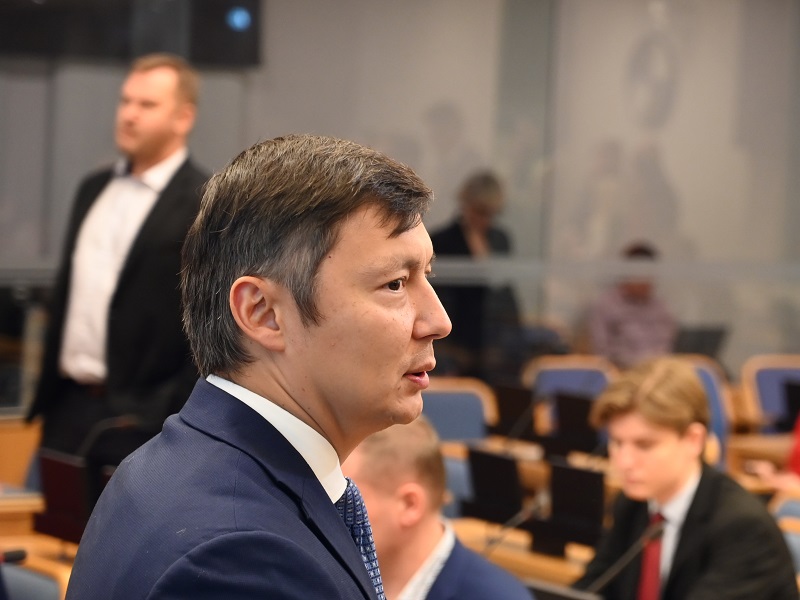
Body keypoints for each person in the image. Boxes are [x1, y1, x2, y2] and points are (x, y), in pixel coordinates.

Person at [65, 134, 452, 599]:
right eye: (395, 284)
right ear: (264, 313)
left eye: (426, 276)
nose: (438, 321)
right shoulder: (242, 558)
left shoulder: (170, 466)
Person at [25, 53, 208, 499]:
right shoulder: (93, 189)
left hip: (141, 420)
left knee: (117, 539)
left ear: (183, 117)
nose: (129, 114)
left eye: (147, 105)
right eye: (125, 101)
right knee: (44, 531)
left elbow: (208, 321)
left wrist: (169, 411)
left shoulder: (203, 201)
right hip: (67, 406)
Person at [573, 357, 797, 600]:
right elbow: (591, 588)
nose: (624, 462)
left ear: (693, 440)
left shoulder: (743, 527)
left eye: (644, 445)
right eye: (617, 442)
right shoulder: (631, 504)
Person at [342, 416, 532, 600]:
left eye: (343, 500)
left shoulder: (496, 596)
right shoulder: (338, 577)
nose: (329, 514)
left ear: (409, 505)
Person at [430, 170, 523, 382]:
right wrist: (450, 348)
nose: (485, 220)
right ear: (466, 204)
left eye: (491, 213)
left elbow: (505, 292)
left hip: (493, 343)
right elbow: (439, 297)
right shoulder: (442, 241)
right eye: (480, 211)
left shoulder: (500, 239)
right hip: (456, 342)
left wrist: (509, 339)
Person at [587, 241, 676, 370]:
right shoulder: (606, 305)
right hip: (619, 374)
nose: (645, 280)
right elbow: (601, 351)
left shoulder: (661, 308)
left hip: (656, 374)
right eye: (640, 273)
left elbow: (666, 347)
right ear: (626, 273)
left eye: (649, 274)